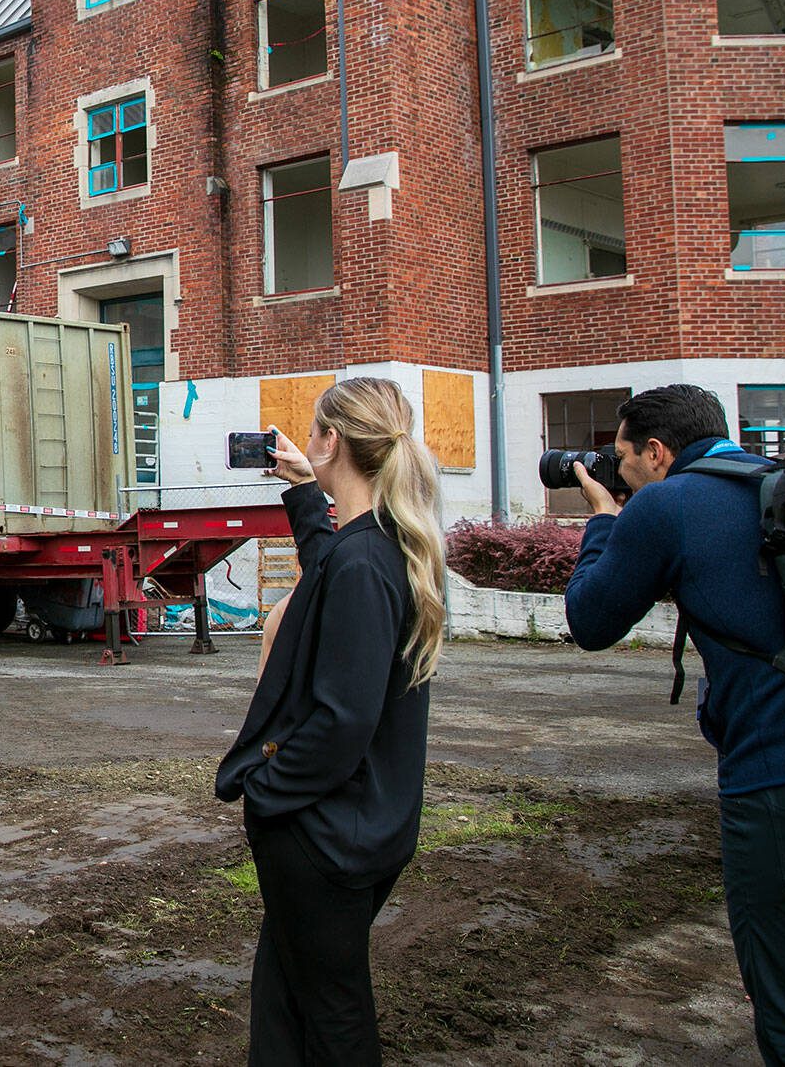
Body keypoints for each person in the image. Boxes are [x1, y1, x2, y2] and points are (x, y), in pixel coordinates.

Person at [564, 383, 785, 1064]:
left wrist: (607, 518)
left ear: (659, 451)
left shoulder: (667, 504)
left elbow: (590, 620)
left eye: (623, 459)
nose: (620, 472)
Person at [213, 378, 448, 1065]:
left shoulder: (362, 562)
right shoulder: (379, 545)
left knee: (331, 1011)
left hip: (326, 835)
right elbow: (329, 563)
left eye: (313, 432)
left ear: (333, 440)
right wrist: (300, 486)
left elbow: (344, 721)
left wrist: (268, 789)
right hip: (362, 825)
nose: (305, 441)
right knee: (285, 995)